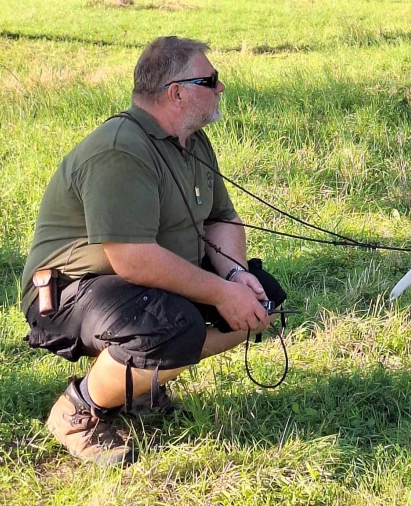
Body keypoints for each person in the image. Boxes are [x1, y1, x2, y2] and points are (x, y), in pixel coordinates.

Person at [20, 36, 286, 466]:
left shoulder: (191, 141)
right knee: (174, 327)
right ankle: (78, 409)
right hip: (68, 291)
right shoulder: (120, 148)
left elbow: (221, 219)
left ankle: (140, 384)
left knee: (262, 301)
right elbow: (132, 258)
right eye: (210, 80)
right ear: (176, 92)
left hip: (135, 281)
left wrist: (236, 277)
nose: (220, 87)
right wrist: (220, 293)